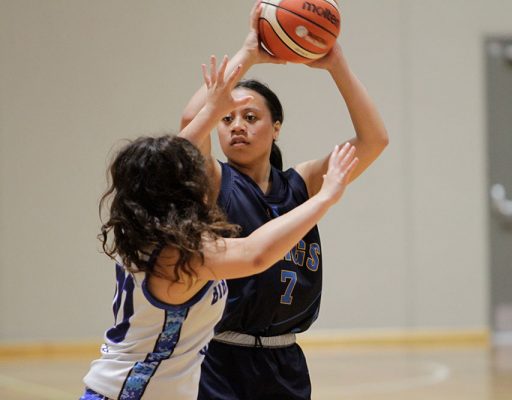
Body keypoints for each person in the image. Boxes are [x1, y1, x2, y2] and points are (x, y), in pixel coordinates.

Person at [79, 56, 358, 400]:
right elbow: (254, 254)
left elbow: (176, 154)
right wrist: (324, 199)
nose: (194, 171)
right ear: (171, 189)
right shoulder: (177, 255)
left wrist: (229, 83)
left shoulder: (160, 233)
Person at [179, 2, 389, 399]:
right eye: (227, 119)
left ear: (276, 128)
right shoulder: (214, 179)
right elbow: (191, 122)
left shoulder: (302, 184)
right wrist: (249, 53)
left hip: (286, 361)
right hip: (220, 359)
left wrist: (336, 64)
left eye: (251, 117)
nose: (237, 126)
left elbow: (374, 140)